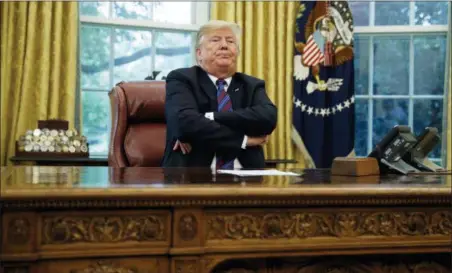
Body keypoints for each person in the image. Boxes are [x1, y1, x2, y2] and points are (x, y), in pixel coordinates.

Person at [161, 20, 277, 169]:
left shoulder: (251, 85)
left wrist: (209, 117)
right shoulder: (182, 79)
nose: (224, 45)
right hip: (192, 176)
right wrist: (243, 140)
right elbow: (184, 123)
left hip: (248, 177)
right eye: (215, 40)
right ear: (199, 53)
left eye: (230, 41)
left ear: (237, 53)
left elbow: (268, 118)